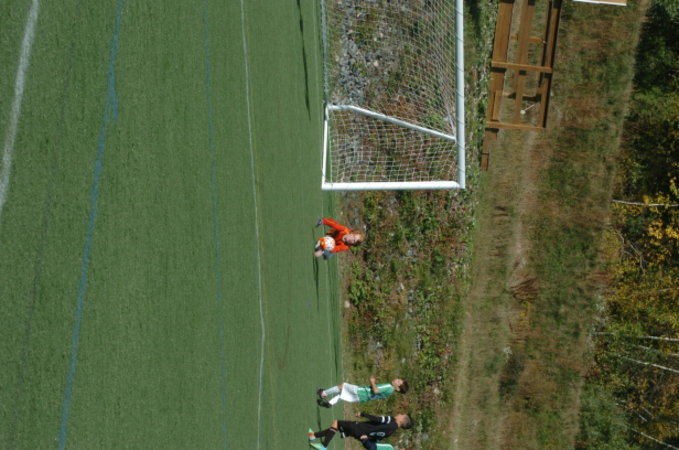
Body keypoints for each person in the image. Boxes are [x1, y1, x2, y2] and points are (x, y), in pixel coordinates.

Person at [308, 411, 412, 450]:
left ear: (402, 420)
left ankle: (323, 445)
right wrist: (366, 439)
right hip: (362, 433)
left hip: (361, 428)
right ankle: (314, 436)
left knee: (336, 423)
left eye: (402, 414)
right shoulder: (392, 431)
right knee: (338, 426)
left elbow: (377, 419)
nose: (399, 414)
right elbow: (378, 438)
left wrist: (363, 414)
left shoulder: (391, 421)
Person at [316, 377, 408, 408]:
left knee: (342, 386)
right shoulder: (390, 392)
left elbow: (375, 391)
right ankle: (329, 403)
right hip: (364, 398)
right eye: (398, 379)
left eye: (398, 381)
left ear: (398, 389)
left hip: (363, 392)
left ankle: (323, 393)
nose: (396, 379)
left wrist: (372, 382)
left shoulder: (389, 386)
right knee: (344, 395)